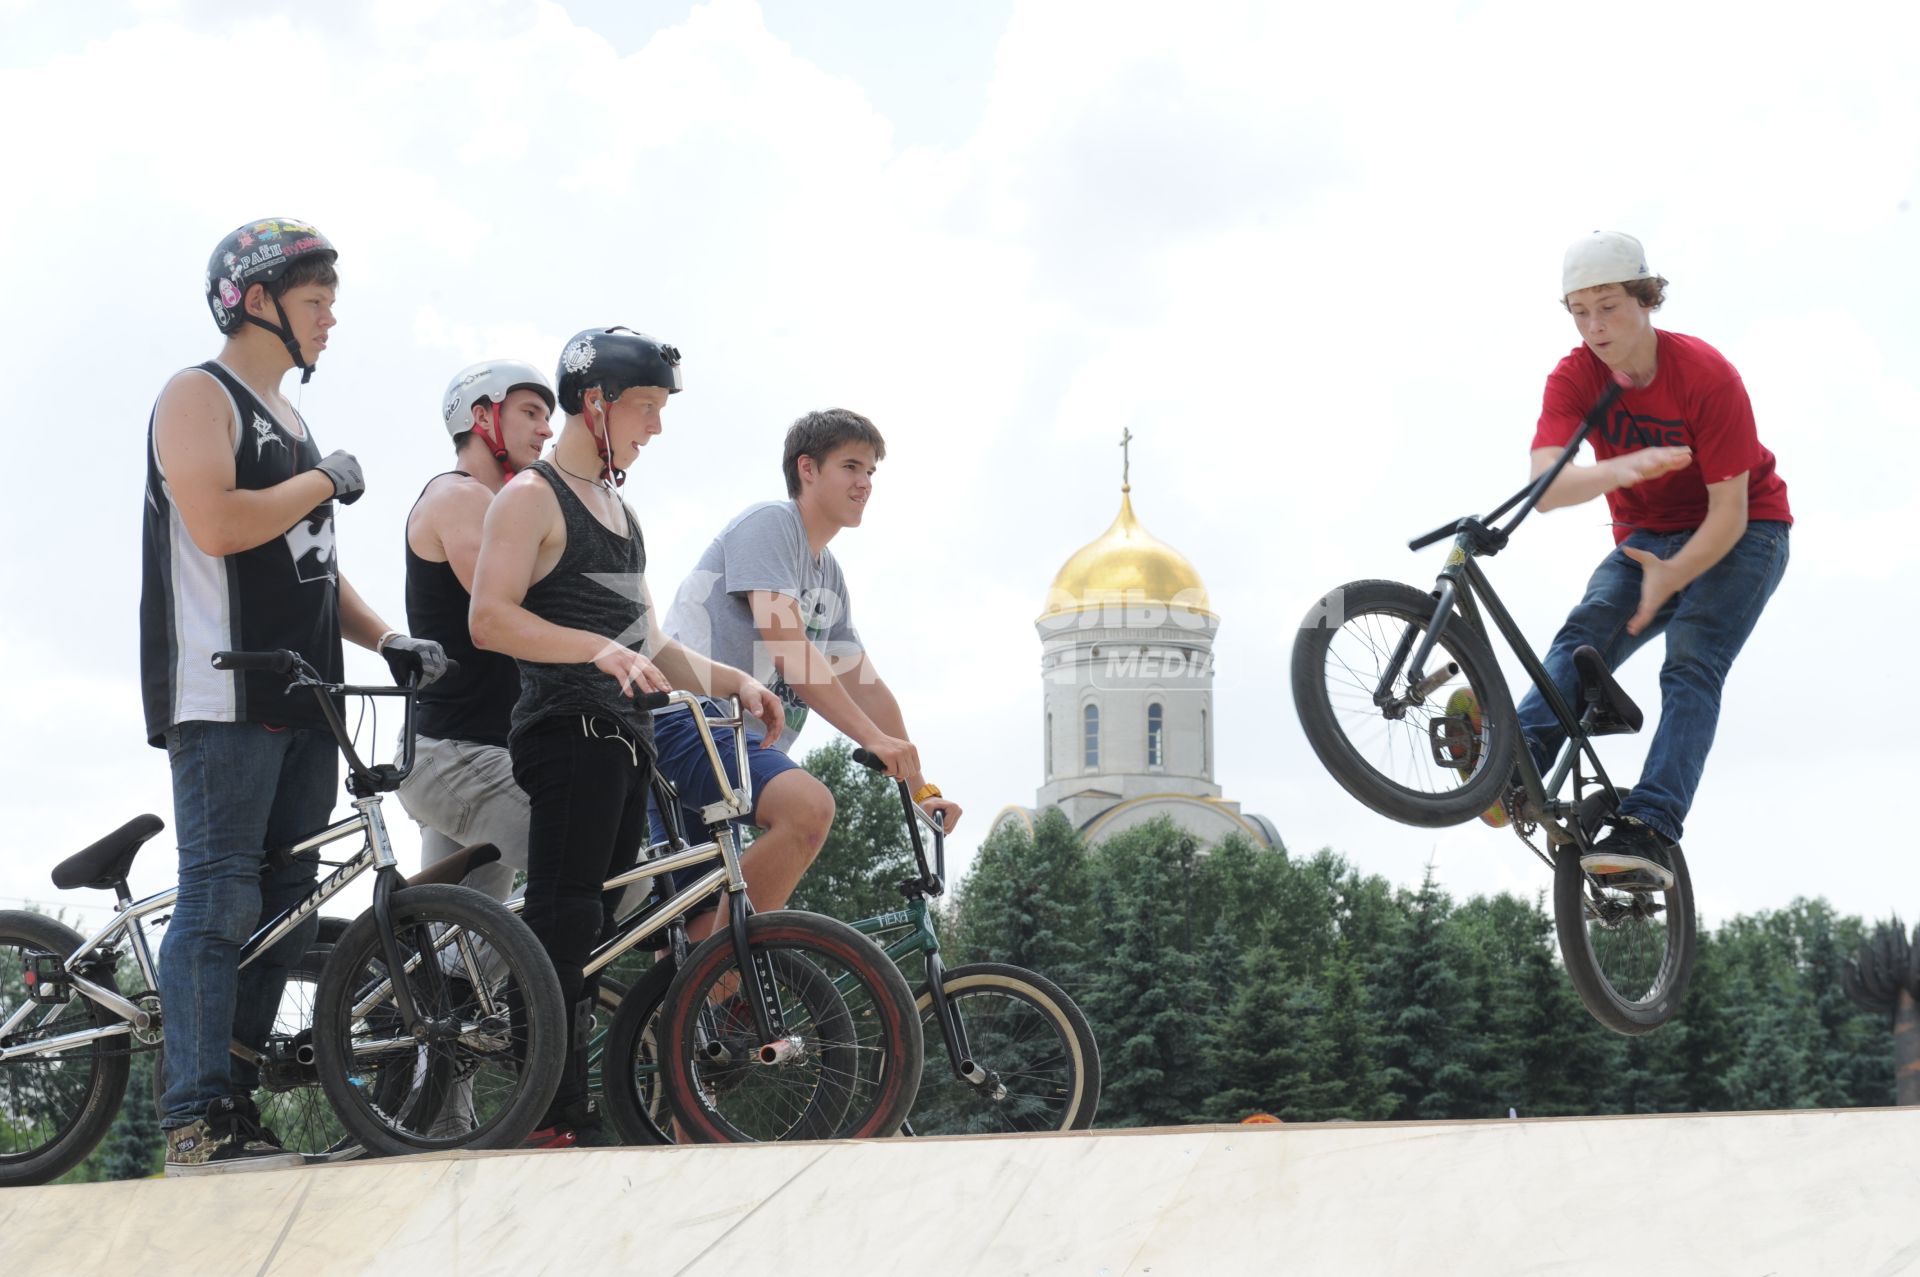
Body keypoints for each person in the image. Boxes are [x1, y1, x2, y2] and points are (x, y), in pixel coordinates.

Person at [141, 218, 445, 1175]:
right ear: (257, 300)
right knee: (223, 895)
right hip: (223, 688)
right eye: (316, 302)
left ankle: (232, 1105)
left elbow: (314, 569)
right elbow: (220, 522)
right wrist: (321, 476)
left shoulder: (295, 423)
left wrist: (389, 635)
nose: (331, 320)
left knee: (283, 901)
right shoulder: (199, 394)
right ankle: (193, 1117)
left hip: (305, 696)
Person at [468, 327, 782, 1145]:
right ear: (597, 404)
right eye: (646, 407)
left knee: (596, 932)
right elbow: (490, 617)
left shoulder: (619, 510)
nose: (657, 426)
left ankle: (568, 1095)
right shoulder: (530, 497)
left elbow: (648, 642)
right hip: (564, 727)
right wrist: (594, 649)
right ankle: (544, 1108)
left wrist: (735, 680)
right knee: (565, 916)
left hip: (624, 735)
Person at [1482, 231, 1791, 891]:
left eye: (1609, 307)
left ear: (1647, 300)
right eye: (1578, 311)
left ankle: (1650, 825)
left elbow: (1730, 513)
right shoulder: (1575, 376)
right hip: (1648, 531)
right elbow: (1546, 489)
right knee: (1588, 624)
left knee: (1691, 661)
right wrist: (1622, 468)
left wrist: (1673, 576)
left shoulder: (1706, 376)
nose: (1594, 327)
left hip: (1745, 532)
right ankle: (1525, 753)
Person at [651, 407, 963, 938]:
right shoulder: (771, 526)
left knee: (694, 947)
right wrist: (873, 742)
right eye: (851, 466)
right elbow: (792, 654)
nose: (865, 483)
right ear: (808, 469)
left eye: (871, 472)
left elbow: (866, 686)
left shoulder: (828, 575)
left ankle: (686, 1013)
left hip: (733, 744)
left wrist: (920, 788)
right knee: (808, 809)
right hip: (689, 721)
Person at [396, 360, 556, 902]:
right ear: (481, 416)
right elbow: (511, 618)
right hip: (455, 753)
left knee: (456, 964)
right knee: (595, 865)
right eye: (530, 412)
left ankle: (406, 987)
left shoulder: (501, 511)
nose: (547, 428)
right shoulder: (462, 498)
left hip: (482, 751)